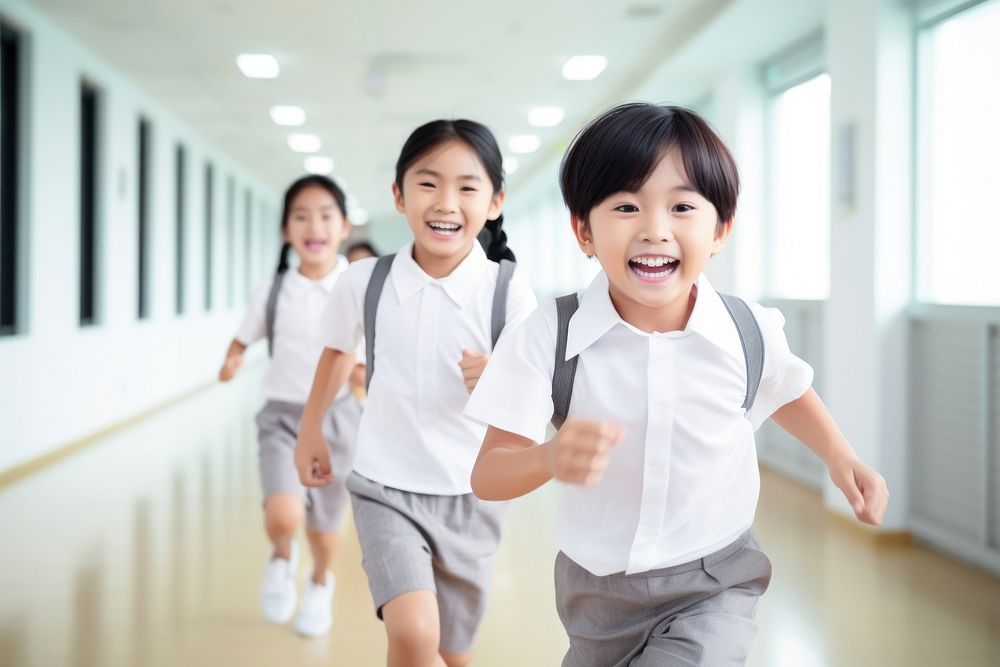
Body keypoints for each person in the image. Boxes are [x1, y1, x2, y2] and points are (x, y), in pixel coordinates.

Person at [465, 103, 889, 666]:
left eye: (682, 206)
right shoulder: (548, 334)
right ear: (583, 230)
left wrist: (840, 456)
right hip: (594, 590)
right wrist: (549, 458)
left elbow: (785, 388)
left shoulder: (747, 331)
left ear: (721, 230)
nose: (654, 230)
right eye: (626, 206)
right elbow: (488, 475)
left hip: (715, 579)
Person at [295, 119, 537, 667]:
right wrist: (311, 428)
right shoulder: (364, 281)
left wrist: (499, 379)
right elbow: (337, 351)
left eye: (467, 187)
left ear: (495, 201)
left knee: (454, 652)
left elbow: (532, 394)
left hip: (472, 493)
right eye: (427, 183)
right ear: (399, 195)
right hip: (385, 485)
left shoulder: (506, 290)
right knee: (411, 634)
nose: (445, 202)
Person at [218, 174, 360, 637]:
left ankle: (320, 581)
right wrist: (233, 357)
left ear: (344, 226)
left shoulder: (356, 286)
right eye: (301, 216)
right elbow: (244, 335)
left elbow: (373, 347)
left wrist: (365, 374)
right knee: (284, 514)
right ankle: (282, 554)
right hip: (281, 417)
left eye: (325, 215)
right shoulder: (274, 290)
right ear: (286, 230)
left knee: (323, 527)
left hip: (338, 420)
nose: (313, 225)